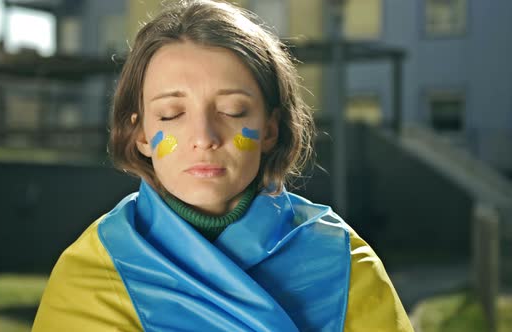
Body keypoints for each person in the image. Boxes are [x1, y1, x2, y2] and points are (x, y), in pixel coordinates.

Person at [32, 0, 413, 331]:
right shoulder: (93, 270)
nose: (204, 136)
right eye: (171, 113)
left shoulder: (343, 261)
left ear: (270, 129)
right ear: (141, 135)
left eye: (232, 110)